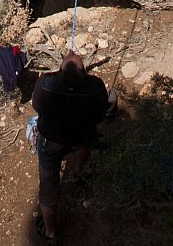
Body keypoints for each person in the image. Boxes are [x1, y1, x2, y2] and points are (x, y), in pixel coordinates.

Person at [31, 51, 109, 243]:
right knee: (88, 140)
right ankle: (79, 172)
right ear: (84, 74)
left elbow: (37, 106)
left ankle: (50, 233)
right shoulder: (95, 87)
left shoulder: (46, 85)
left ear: (59, 72)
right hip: (81, 136)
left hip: (51, 141)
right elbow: (100, 117)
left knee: (49, 187)